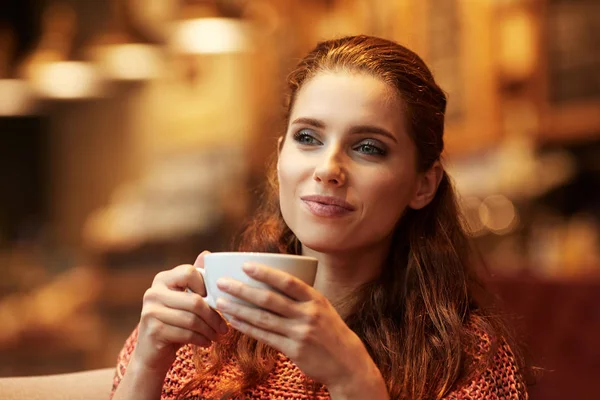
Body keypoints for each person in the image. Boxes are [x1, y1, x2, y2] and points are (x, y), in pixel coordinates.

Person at [110, 35, 528, 400]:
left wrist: (353, 380)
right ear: (279, 160)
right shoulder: (201, 336)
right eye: (307, 138)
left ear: (423, 185)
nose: (329, 168)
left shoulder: (467, 361)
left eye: (368, 147)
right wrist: (145, 363)